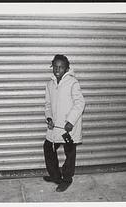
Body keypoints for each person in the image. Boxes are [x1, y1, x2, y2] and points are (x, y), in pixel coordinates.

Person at [43, 54, 86, 192]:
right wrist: (49, 118)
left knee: (69, 153)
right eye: (55, 66)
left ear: (67, 68)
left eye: (61, 67)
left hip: (68, 126)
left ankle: (66, 179)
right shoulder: (49, 84)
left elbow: (80, 103)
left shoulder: (73, 82)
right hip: (55, 126)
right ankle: (56, 176)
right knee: (48, 148)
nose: (57, 69)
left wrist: (71, 121)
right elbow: (48, 104)